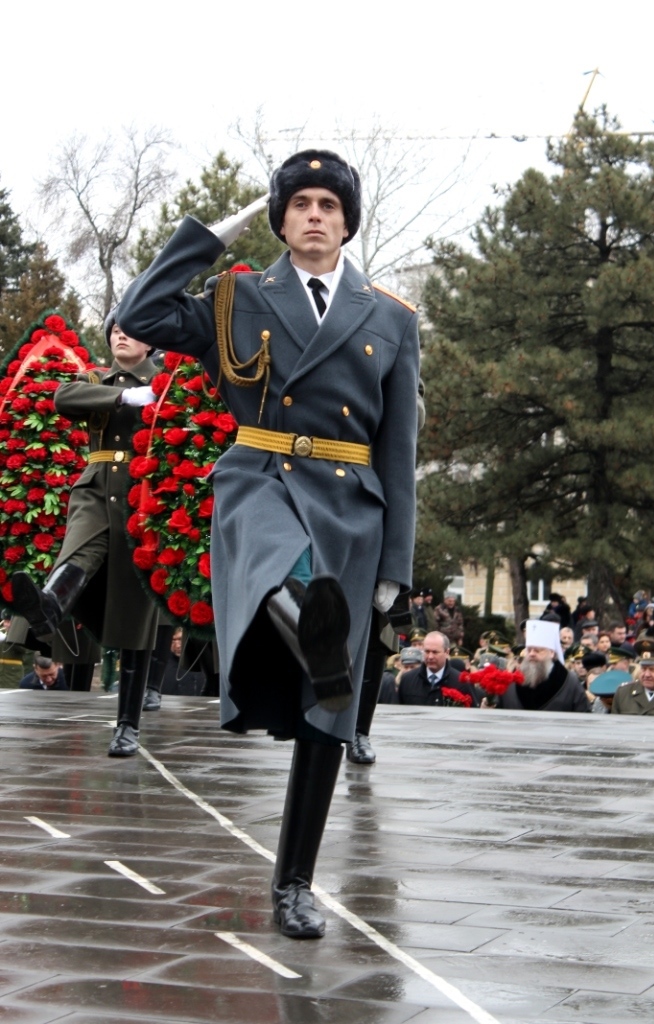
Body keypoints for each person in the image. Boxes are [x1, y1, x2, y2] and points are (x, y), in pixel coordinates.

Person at [117, 149, 419, 939]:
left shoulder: (390, 317)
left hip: (353, 504)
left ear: (347, 220)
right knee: (286, 569)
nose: (314, 215)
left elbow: (399, 450)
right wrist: (206, 236)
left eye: (328, 203)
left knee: (328, 711)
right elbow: (141, 315)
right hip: (261, 480)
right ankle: (315, 640)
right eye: (299, 204)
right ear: (281, 218)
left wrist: (396, 568)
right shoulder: (236, 298)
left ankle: (294, 885)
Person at [10, 318, 159, 756]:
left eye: (131, 329)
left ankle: (127, 725)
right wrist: (124, 397)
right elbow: (63, 396)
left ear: (151, 341)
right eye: (114, 329)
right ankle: (48, 608)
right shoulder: (97, 379)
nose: (119, 334)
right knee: (77, 553)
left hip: (142, 493)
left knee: (135, 613)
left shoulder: (166, 382)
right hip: (95, 487)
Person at [498, 619, 590, 712]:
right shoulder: (512, 682)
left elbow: (584, 715)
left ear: (551, 653)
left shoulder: (569, 682)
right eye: (529, 650)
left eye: (538, 650)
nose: (532, 654)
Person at [398, 631, 479, 706]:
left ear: (446, 653)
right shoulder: (408, 680)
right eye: (427, 651)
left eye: (435, 652)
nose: (430, 657)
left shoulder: (462, 683)